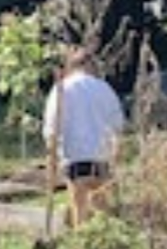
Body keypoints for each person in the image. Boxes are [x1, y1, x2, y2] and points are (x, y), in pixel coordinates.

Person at [43, 46, 125, 228]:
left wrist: (52, 155)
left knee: (79, 212)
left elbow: (52, 126)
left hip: (76, 156)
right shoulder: (105, 89)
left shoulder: (62, 89)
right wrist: (116, 155)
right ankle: (104, 246)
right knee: (102, 212)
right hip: (101, 156)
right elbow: (118, 125)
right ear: (91, 66)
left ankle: (82, 246)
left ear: (72, 66)